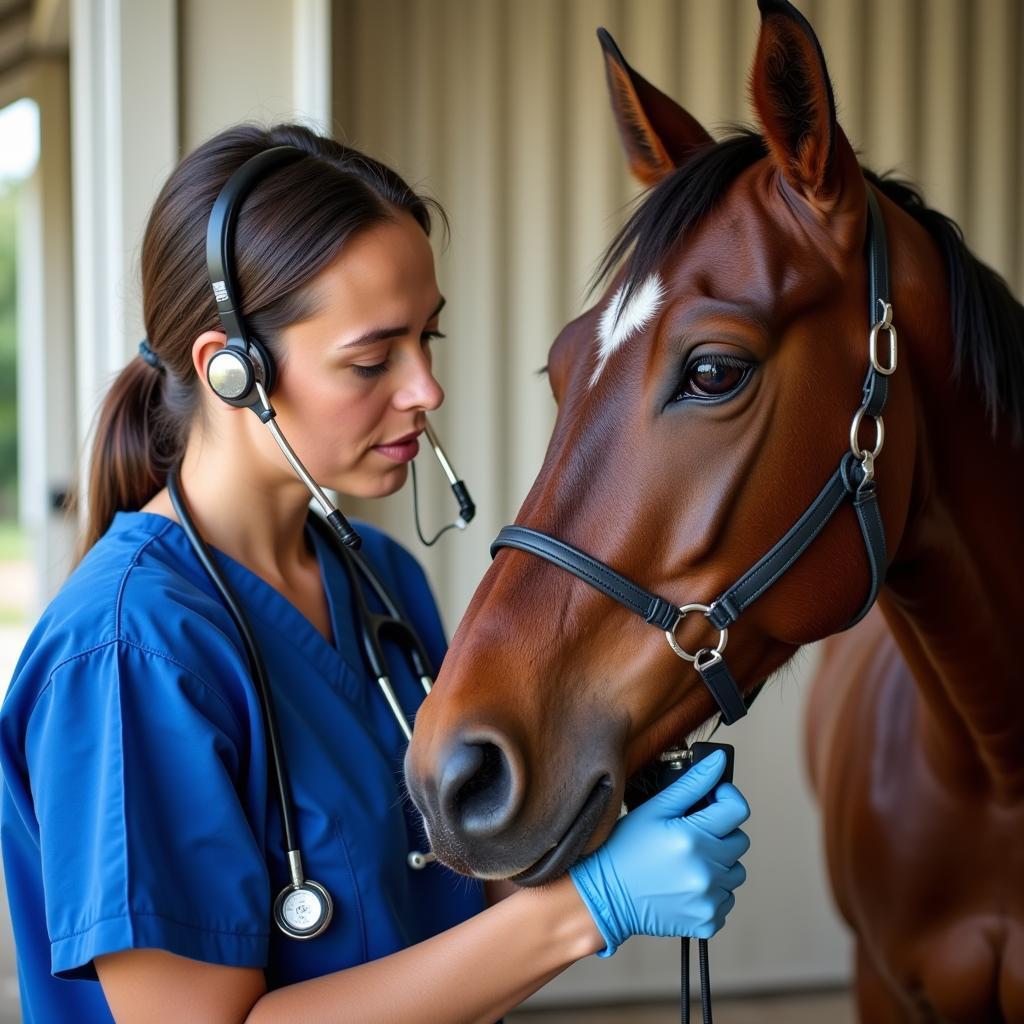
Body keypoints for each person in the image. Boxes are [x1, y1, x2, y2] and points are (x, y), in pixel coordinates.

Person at [0, 123, 751, 1023]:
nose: (427, 388)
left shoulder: (384, 584)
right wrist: (587, 912)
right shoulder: (128, 652)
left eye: (427, 338)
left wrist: (604, 843)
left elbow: (447, 910)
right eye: (372, 358)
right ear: (232, 372)